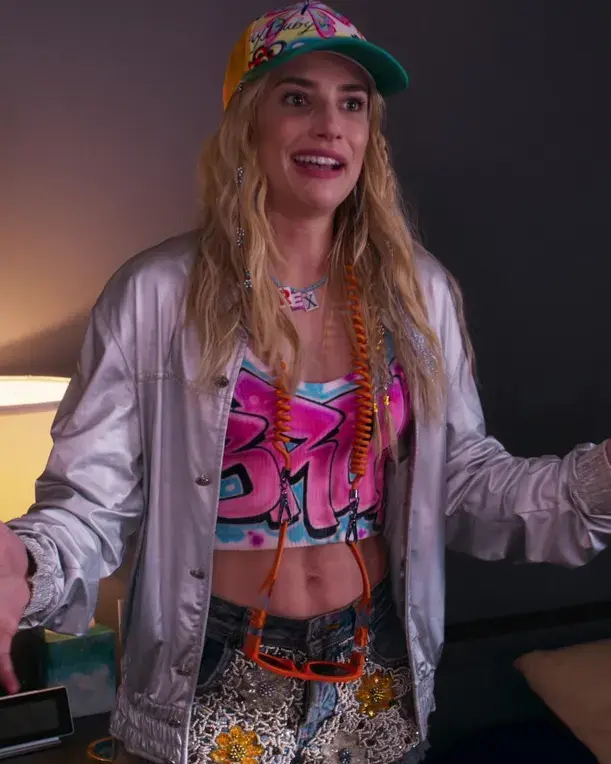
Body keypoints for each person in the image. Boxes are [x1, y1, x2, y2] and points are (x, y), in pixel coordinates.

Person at [1, 3, 611, 763]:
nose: (330, 126)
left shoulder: (416, 293)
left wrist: (600, 479)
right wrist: (24, 562)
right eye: (297, 98)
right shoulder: (157, 294)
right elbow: (90, 504)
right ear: (247, 123)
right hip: (215, 667)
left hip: (373, 663)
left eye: (352, 104)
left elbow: (463, 484)